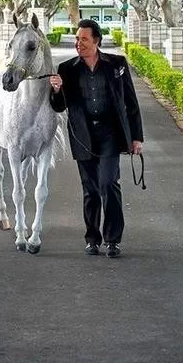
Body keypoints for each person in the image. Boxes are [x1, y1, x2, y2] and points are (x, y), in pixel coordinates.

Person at [49, 19, 143, 258]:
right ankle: (92, 238)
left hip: (110, 133)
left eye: (84, 39)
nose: (78, 44)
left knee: (108, 183)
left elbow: (131, 104)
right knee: (90, 188)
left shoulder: (116, 64)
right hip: (83, 135)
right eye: (77, 39)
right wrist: (57, 90)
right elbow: (59, 107)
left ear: (96, 41)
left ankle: (113, 239)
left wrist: (136, 137)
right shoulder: (67, 69)